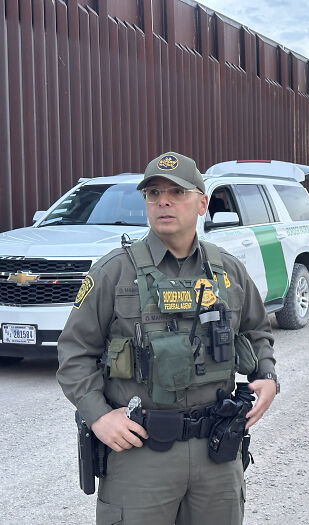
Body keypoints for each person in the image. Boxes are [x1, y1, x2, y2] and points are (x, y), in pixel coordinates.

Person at [57, 152, 279, 524]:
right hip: (141, 455)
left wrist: (268, 378)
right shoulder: (114, 272)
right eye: (153, 193)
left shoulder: (227, 271)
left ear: (202, 203)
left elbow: (257, 330)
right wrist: (98, 416)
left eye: (177, 192)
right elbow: (74, 352)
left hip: (217, 453)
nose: (163, 201)